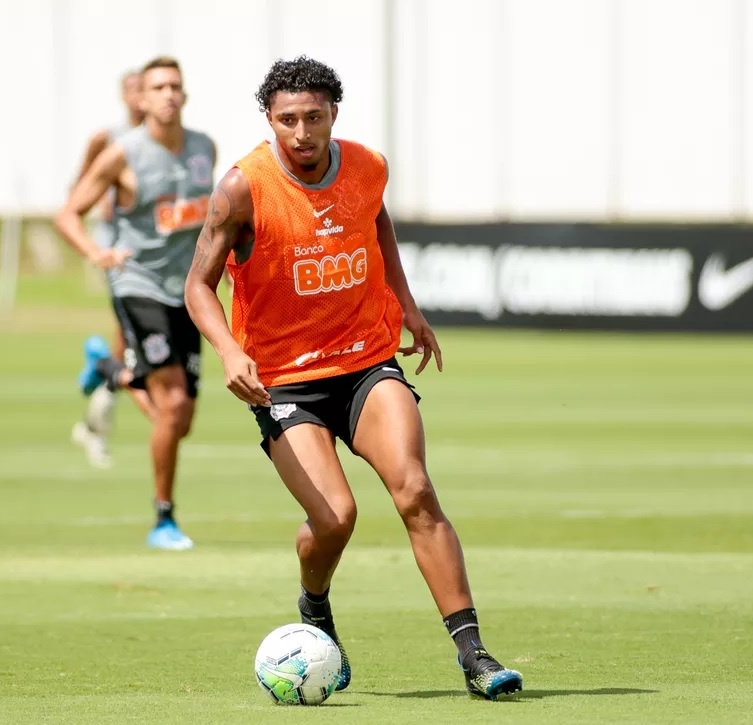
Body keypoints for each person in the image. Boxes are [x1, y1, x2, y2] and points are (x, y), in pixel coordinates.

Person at [184, 56, 523, 699]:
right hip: (284, 382)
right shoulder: (242, 188)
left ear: (334, 114)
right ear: (269, 121)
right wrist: (229, 351)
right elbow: (197, 286)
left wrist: (407, 305)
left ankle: (474, 654)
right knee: (337, 517)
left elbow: (377, 220)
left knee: (415, 490)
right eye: (288, 120)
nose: (302, 132)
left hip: (366, 360)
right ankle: (314, 606)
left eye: (314, 117)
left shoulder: (367, 166)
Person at [55, 56, 217, 551]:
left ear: (185, 95)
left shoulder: (204, 147)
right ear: (140, 98)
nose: (169, 94)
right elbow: (68, 213)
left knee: (180, 421)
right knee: (172, 406)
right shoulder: (122, 153)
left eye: (175, 86)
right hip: (137, 283)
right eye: (158, 87)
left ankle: (109, 368)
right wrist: (96, 253)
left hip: (187, 289)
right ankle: (163, 519)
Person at [69, 68, 157, 470]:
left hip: (159, 254)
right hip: (119, 251)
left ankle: (101, 372)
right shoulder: (107, 139)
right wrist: (106, 195)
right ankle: (98, 427)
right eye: (133, 90)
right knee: (133, 338)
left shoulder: (167, 142)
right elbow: (78, 192)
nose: (140, 97)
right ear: (125, 96)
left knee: (128, 346)